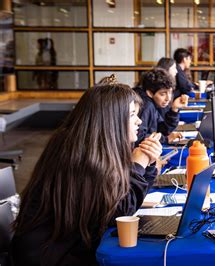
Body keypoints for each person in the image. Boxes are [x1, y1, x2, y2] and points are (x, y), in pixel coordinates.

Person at [11, 83, 163, 265]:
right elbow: (119, 213)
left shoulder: (94, 145)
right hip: (50, 256)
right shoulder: (79, 154)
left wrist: (149, 164)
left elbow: (127, 202)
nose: (139, 121)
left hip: (71, 246)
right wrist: (139, 165)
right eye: (132, 115)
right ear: (110, 120)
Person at [134, 68, 188, 146]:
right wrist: (165, 139)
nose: (168, 98)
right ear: (150, 93)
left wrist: (174, 109)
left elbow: (162, 129)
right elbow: (138, 138)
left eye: (170, 92)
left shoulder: (152, 103)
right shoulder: (146, 105)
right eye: (163, 94)